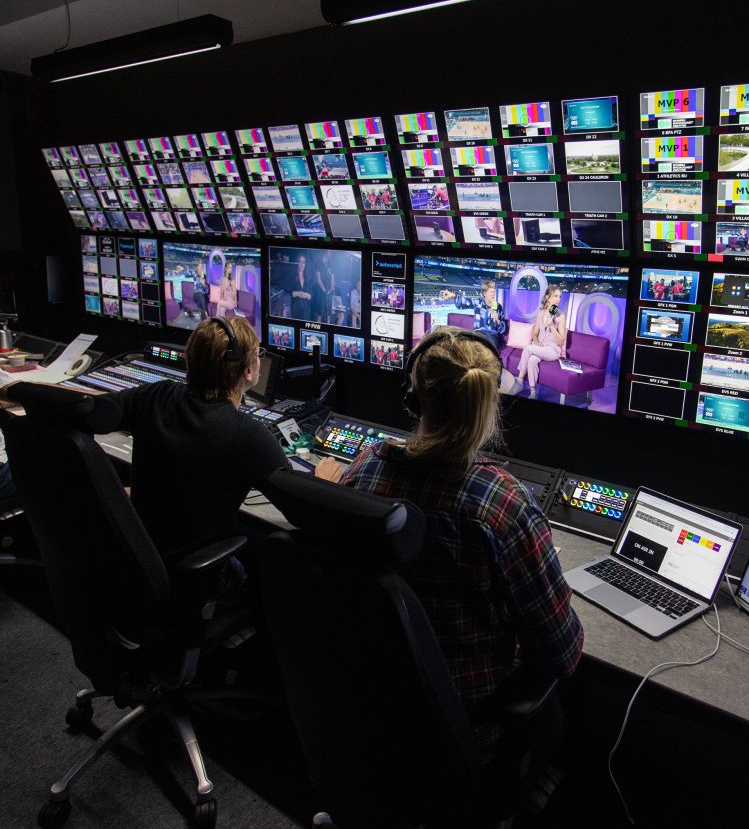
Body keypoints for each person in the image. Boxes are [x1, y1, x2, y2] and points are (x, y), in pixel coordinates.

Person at [315, 327, 582, 762]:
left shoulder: (364, 471)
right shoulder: (506, 507)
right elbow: (562, 652)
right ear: (489, 404)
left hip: (369, 702)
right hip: (464, 726)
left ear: (413, 396)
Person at [1, 318, 289, 594]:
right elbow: (298, 507)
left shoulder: (158, 395)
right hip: (193, 576)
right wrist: (322, 480)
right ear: (249, 372)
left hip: (135, 559)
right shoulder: (249, 434)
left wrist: (20, 391)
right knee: (267, 555)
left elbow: (91, 411)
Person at [513, 285, 566, 397]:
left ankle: (519, 380)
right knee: (532, 360)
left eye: (560, 296)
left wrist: (551, 325)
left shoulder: (561, 316)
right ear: (547, 297)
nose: (558, 299)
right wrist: (536, 342)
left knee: (527, 348)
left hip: (552, 350)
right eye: (555, 296)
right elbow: (535, 333)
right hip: (540, 347)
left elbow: (561, 341)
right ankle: (533, 393)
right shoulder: (541, 312)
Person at [471, 280, 507, 351]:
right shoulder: (478, 303)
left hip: (492, 335)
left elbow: (503, 330)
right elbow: (464, 302)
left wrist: (497, 320)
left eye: (494, 291)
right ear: (484, 293)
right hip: (478, 334)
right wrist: (453, 296)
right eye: (491, 292)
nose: (493, 294)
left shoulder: (498, 307)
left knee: (487, 343)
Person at [289, 252, 313, 322]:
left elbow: (312, 295)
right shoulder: (292, 276)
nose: (302, 264)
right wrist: (299, 293)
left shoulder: (308, 278)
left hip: (306, 312)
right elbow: (288, 292)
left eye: (304, 262)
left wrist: (308, 295)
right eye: (300, 261)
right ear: (297, 262)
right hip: (295, 310)